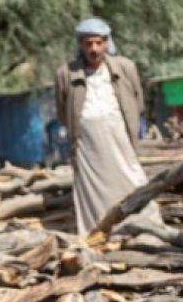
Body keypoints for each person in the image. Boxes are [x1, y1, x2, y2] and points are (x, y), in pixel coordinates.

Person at [54, 18, 160, 236]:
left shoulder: (125, 67)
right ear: (80, 45)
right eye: (88, 44)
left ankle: (147, 229)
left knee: (132, 179)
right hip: (86, 145)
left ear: (106, 42)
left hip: (120, 138)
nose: (94, 49)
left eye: (98, 43)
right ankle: (99, 235)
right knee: (92, 191)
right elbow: (63, 110)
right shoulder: (66, 73)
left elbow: (137, 101)